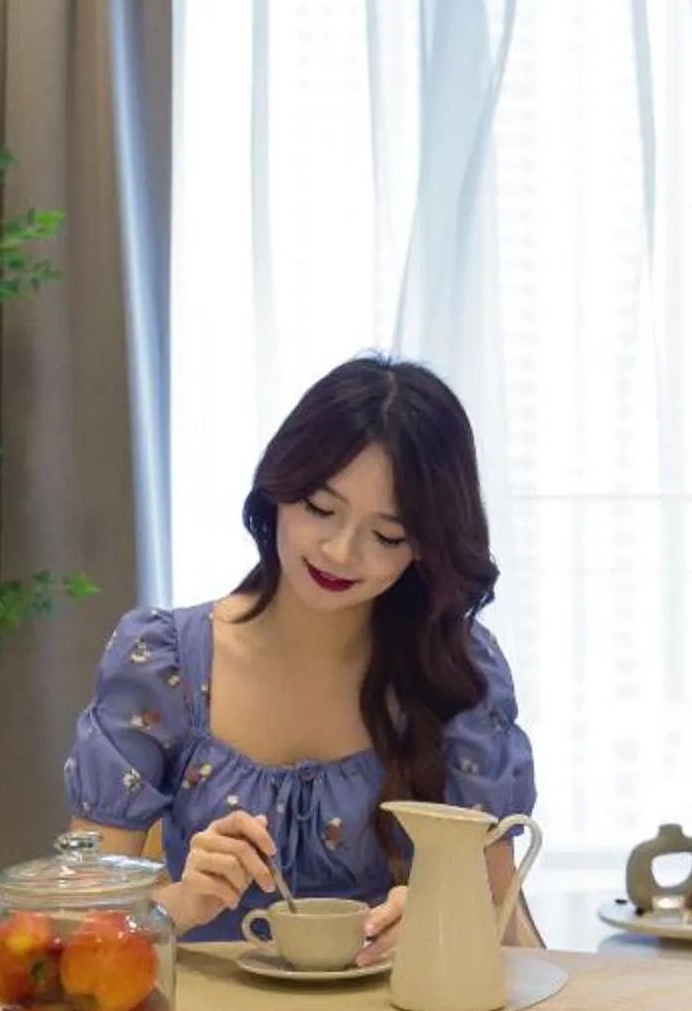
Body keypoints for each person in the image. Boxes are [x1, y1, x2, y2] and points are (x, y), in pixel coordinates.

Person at [65, 354, 536, 963]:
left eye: (387, 536)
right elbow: (79, 928)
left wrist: (446, 921)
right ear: (280, 488)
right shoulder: (161, 663)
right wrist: (182, 902)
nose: (340, 552)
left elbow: (513, 936)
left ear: (424, 548)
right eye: (319, 507)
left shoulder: (455, 672)